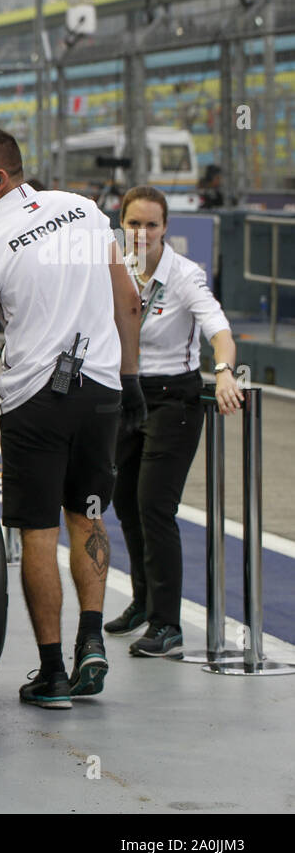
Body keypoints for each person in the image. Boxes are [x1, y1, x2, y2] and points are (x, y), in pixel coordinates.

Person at [0, 127, 144, 709]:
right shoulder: (85, 211)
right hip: (101, 391)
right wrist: (132, 383)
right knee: (87, 516)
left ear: (1, 179)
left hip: (36, 401)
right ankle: (93, 638)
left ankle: (53, 671)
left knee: (38, 532)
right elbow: (129, 301)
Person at [107, 185, 244, 656]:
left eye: (150, 224)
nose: (141, 233)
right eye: (133, 224)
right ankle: (143, 601)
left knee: (154, 506)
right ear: (120, 224)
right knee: (123, 501)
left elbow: (219, 331)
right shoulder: (113, 269)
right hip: (128, 395)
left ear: (165, 228)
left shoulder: (185, 275)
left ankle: (169, 624)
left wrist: (224, 372)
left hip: (174, 400)